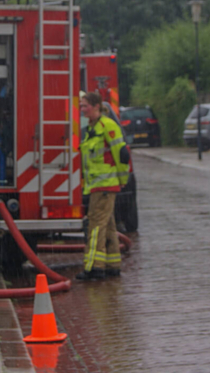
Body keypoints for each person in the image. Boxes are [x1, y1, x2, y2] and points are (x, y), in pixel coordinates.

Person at [75, 92, 130, 281]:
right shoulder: (92, 128)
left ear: (96, 106)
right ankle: (112, 265)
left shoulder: (107, 126)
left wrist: (122, 181)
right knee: (107, 226)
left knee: (95, 226)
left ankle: (94, 267)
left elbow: (122, 155)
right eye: (81, 106)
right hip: (97, 187)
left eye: (85, 106)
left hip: (105, 186)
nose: (82, 110)